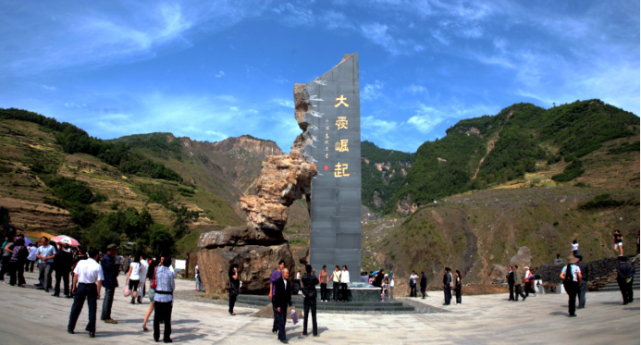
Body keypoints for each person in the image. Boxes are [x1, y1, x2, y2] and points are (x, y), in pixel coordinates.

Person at [67, 248, 103, 338]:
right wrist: (98, 292)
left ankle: (71, 327)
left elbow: (75, 275)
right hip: (91, 286)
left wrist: (74, 286)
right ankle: (91, 330)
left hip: (81, 285)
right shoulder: (98, 266)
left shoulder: (81, 262)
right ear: (96, 255)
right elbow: (99, 281)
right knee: (92, 309)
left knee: (76, 306)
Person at [154, 256, 175, 343]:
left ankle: (156, 335)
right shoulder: (170, 273)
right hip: (167, 297)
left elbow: (156, 282)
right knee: (167, 318)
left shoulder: (157, 271)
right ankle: (166, 337)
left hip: (158, 295)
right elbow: (172, 286)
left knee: (156, 317)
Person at [141, 257, 162, 332]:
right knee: (158, 310)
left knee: (150, 309)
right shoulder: (158, 269)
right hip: (157, 291)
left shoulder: (150, 269)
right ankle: (157, 326)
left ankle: (144, 324)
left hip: (151, 291)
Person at [100, 244, 119, 324]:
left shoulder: (106, 257)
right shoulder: (108, 258)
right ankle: (106, 316)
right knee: (108, 298)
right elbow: (113, 270)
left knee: (107, 298)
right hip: (109, 280)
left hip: (108, 279)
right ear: (111, 250)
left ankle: (104, 314)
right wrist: (117, 266)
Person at [274, 268, 293, 344]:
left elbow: (288, 294)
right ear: (283, 273)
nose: (288, 274)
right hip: (280, 304)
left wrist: (290, 304)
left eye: (288, 273)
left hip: (285, 304)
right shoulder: (278, 281)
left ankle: (280, 335)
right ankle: (283, 337)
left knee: (284, 320)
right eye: (286, 273)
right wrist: (277, 305)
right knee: (281, 320)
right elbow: (276, 295)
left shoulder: (287, 282)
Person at [301, 264, 319, 337]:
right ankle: (315, 332)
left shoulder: (304, 277)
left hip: (306, 297)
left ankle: (305, 332)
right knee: (314, 315)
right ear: (311, 270)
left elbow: (303, 283)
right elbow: (317, 282)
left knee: (306, 315)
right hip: (312, 297)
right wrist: (313, 274)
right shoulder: (313, 277)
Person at [269, 260, 285, 334]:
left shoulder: (283, 274)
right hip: (275, 294)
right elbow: (271, 283)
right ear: (279, 265)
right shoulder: (275, 273)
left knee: (280, 312)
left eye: (283, 265)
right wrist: (271, 292)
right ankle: (275, 328)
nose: (282, 266)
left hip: (281, 295)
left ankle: (278, 327)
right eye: (281, 264)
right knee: (276, 311)